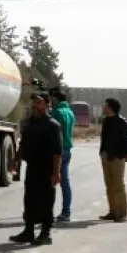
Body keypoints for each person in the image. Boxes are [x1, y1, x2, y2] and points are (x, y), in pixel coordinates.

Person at [9, 92, 62, 246]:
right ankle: (28, 231)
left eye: (39, 102)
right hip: (32, 167)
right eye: (34, 102)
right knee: (30, 200)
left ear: (47, 105)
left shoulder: (52, 125)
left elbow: (57, 152)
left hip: (47, 169)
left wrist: (56, 173)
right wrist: (15, 161)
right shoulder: (30, 124)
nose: (35, 105)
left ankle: (45, 233)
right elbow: (23, 145)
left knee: (45, 201)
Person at [99, 97, 127, 222]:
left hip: (117, 158)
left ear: (111, 108)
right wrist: (102, 152)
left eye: (105, 106)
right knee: (109, 185)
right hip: (106, 157)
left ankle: (123, 213)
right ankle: (113, 211)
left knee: (118, 185)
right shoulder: (106, 121)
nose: (103, 108)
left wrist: (124, 155)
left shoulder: (122, 122)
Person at [49, 88, 76, 222]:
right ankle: (66, 211)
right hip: (67, 149)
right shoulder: (70, 112)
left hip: (56, 150)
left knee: (51, 180)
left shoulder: (57, 112)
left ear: (55, 98)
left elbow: (52, 132)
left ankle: (46, 211)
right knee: (65, 181)